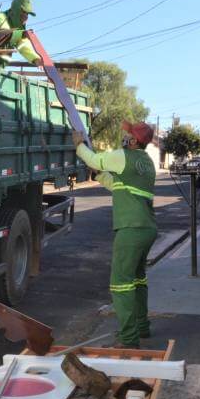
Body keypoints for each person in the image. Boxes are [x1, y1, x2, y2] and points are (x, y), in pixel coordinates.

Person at [72, 122, 157, 348]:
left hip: (130, 228)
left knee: (121, 284)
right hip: (146, 228)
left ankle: (128, 339)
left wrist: (80, 145)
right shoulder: (146, 162)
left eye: (128, 134)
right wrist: (100, 176)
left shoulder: (123, 156)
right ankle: (142, 327)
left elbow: (94, 159)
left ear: (135, 140)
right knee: (138, 280)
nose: (125, 136)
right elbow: (120, 185)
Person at [0, 0, 42, 68]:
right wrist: (22, 34)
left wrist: (35, 59)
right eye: (24, 12)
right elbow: (4, 34)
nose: (26, 16)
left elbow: (23, 45)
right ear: (16, 10)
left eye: (27, 14)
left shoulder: (18, 28)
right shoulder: (1, 17)